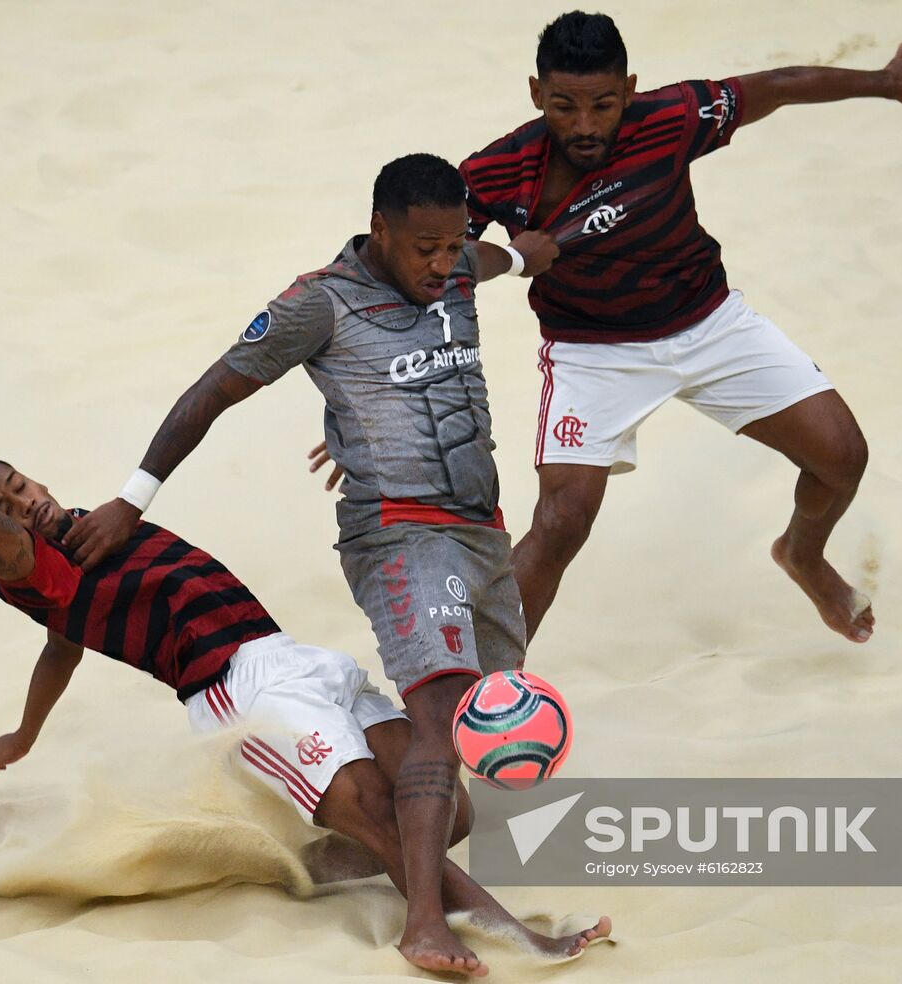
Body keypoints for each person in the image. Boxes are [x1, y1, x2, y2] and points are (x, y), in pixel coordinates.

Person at [0, 342, 607, 974]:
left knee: (447, 813)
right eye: (7, 504)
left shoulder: (87, 537)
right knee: (384, 816)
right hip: (237, 691)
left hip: (298, 658)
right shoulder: (29, 567)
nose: (25, 502)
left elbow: (62, 648)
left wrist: (24, 734)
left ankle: (304, 864)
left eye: (22, 484)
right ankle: (509, 937)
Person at [62, 154, 574, 975]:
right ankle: (428, 927)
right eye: (425, 249)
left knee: (459, 794)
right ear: (380, 231)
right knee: (441, 714)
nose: (442, 265)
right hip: (398, 536)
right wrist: (133, 497)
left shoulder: (463, 267)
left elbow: (524, 253)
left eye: (453, 247)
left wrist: (573, 233)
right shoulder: (318, 303)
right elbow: (212, 392)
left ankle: (316, 865)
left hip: (479, 533)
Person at [456, 12, 902, 645]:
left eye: (603, 105)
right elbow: (443, 257)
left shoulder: (673, 116)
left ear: (630, 90)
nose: (585, 125)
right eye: (564, 106)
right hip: (592, 352)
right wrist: (516, 257)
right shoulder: (497, 170)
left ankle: (802, 555)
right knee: (561, 522)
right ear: (536, 94)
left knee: (842, 457)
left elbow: (779, 84)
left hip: (709, 323)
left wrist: (883, 83)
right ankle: (487, 699)